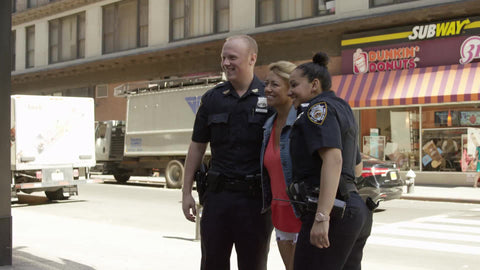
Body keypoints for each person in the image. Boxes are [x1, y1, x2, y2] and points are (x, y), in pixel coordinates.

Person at [181, 35, 273, 270]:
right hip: (218, 199)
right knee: (212, 263)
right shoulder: (212, 99)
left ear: (252, 59)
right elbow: (197, 146)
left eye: (232, 57)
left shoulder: (270, 98)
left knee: (253, 265)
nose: (226, 63)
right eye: (223, 57)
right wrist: (186, 192)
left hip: (255, 203)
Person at [287, 52, 372, 270]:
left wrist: (322, 216)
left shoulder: (318, 110)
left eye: (294, 85)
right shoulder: (342, 107)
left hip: (333, 213)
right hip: (354, 209)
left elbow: (333, 159)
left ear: (314, 85)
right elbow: (356, 167)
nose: (290, 92)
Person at [260, 60, 301, 270]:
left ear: (291, 87)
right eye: (266, 83)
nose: (267, 89)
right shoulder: (268, 126)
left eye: (274, 84)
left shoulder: (304, 122)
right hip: (280, 216)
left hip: (303, 217)